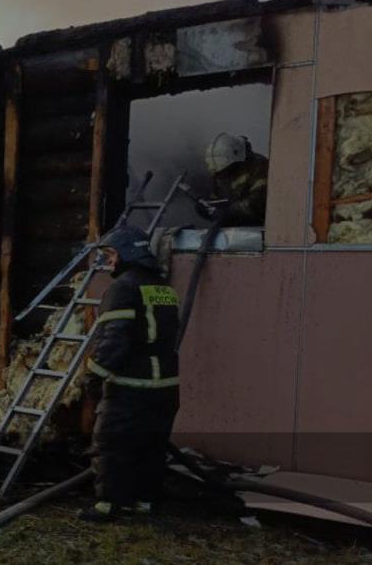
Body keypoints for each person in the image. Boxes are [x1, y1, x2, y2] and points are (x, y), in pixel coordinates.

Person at [79, 225, 181, 522]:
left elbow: (115, 341)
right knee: (151, 446)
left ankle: (109, 505)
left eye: (111, 254)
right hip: (166, 386)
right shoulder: (164, 289)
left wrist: (92, 375)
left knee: (112, 444)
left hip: (130, 386)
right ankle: (144, 502)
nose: (109, 261)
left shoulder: (123, 288)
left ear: (127, 254)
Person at [205, 133, 268, 226]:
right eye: (220, 172)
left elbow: (259, 202)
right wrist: (207, 208)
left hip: (260, 227)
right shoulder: (220, 174)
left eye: (225, 169)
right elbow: (217, 200)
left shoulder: (259, 166)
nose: (222, 174)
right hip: (234, 229)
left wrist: (229, 212)